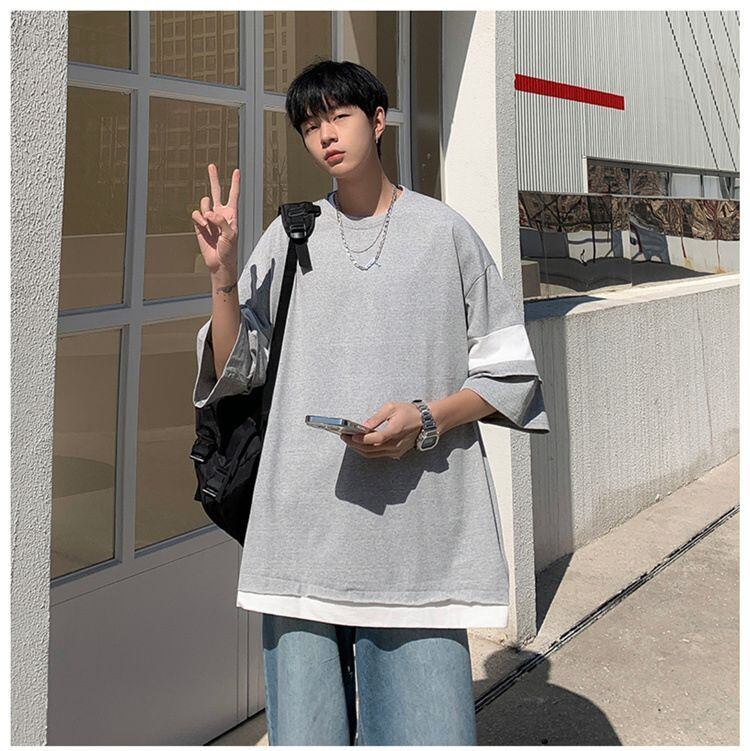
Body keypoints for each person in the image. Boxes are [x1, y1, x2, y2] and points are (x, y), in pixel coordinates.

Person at [190, 59, 550, 746]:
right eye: (310, 125)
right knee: (309, 735)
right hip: (303, 531)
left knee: (428, 732)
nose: (326, 135)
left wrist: (425, 418)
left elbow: (509, 373)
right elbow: (240, 367)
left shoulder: (444, 232)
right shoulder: (291, 234)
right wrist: (223, 278)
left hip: (417, 537)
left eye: (340, 116)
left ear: (378, 120)